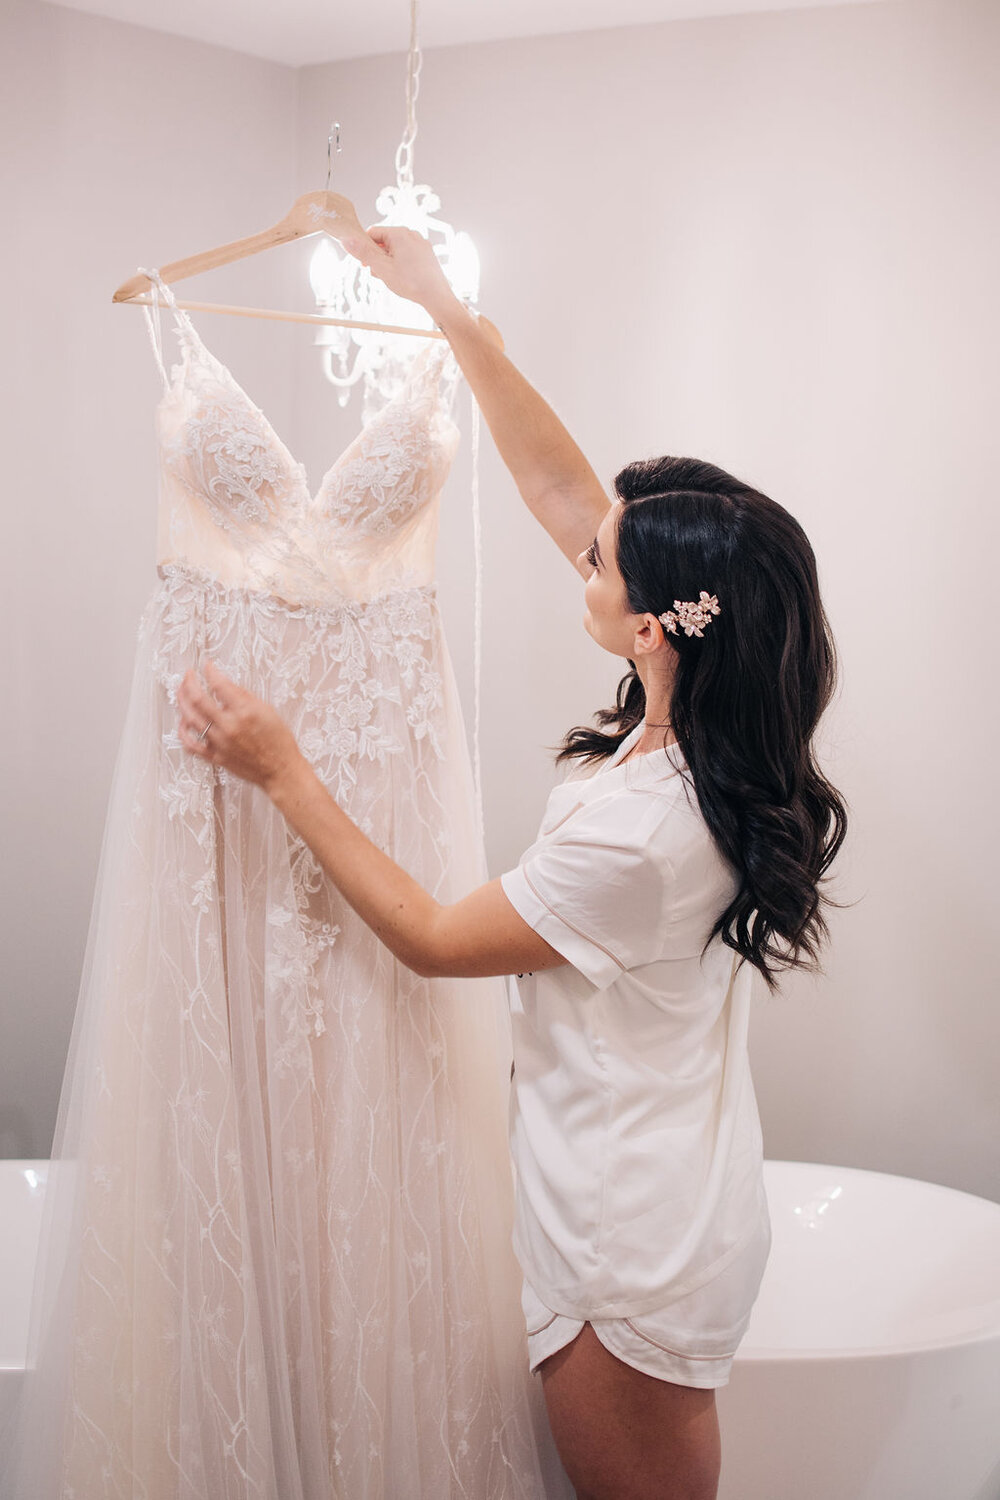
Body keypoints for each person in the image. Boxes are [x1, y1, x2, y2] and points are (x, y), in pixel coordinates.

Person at [177, 226, 847, 1500]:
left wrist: (282, 770)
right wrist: (444, 308)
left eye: (601, 559)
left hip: (619, 1250)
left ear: (652, 624)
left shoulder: (644, 832)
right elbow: (559, 491)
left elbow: (432, 940)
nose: (578, 546)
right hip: (652, 1180)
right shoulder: (688, 727)